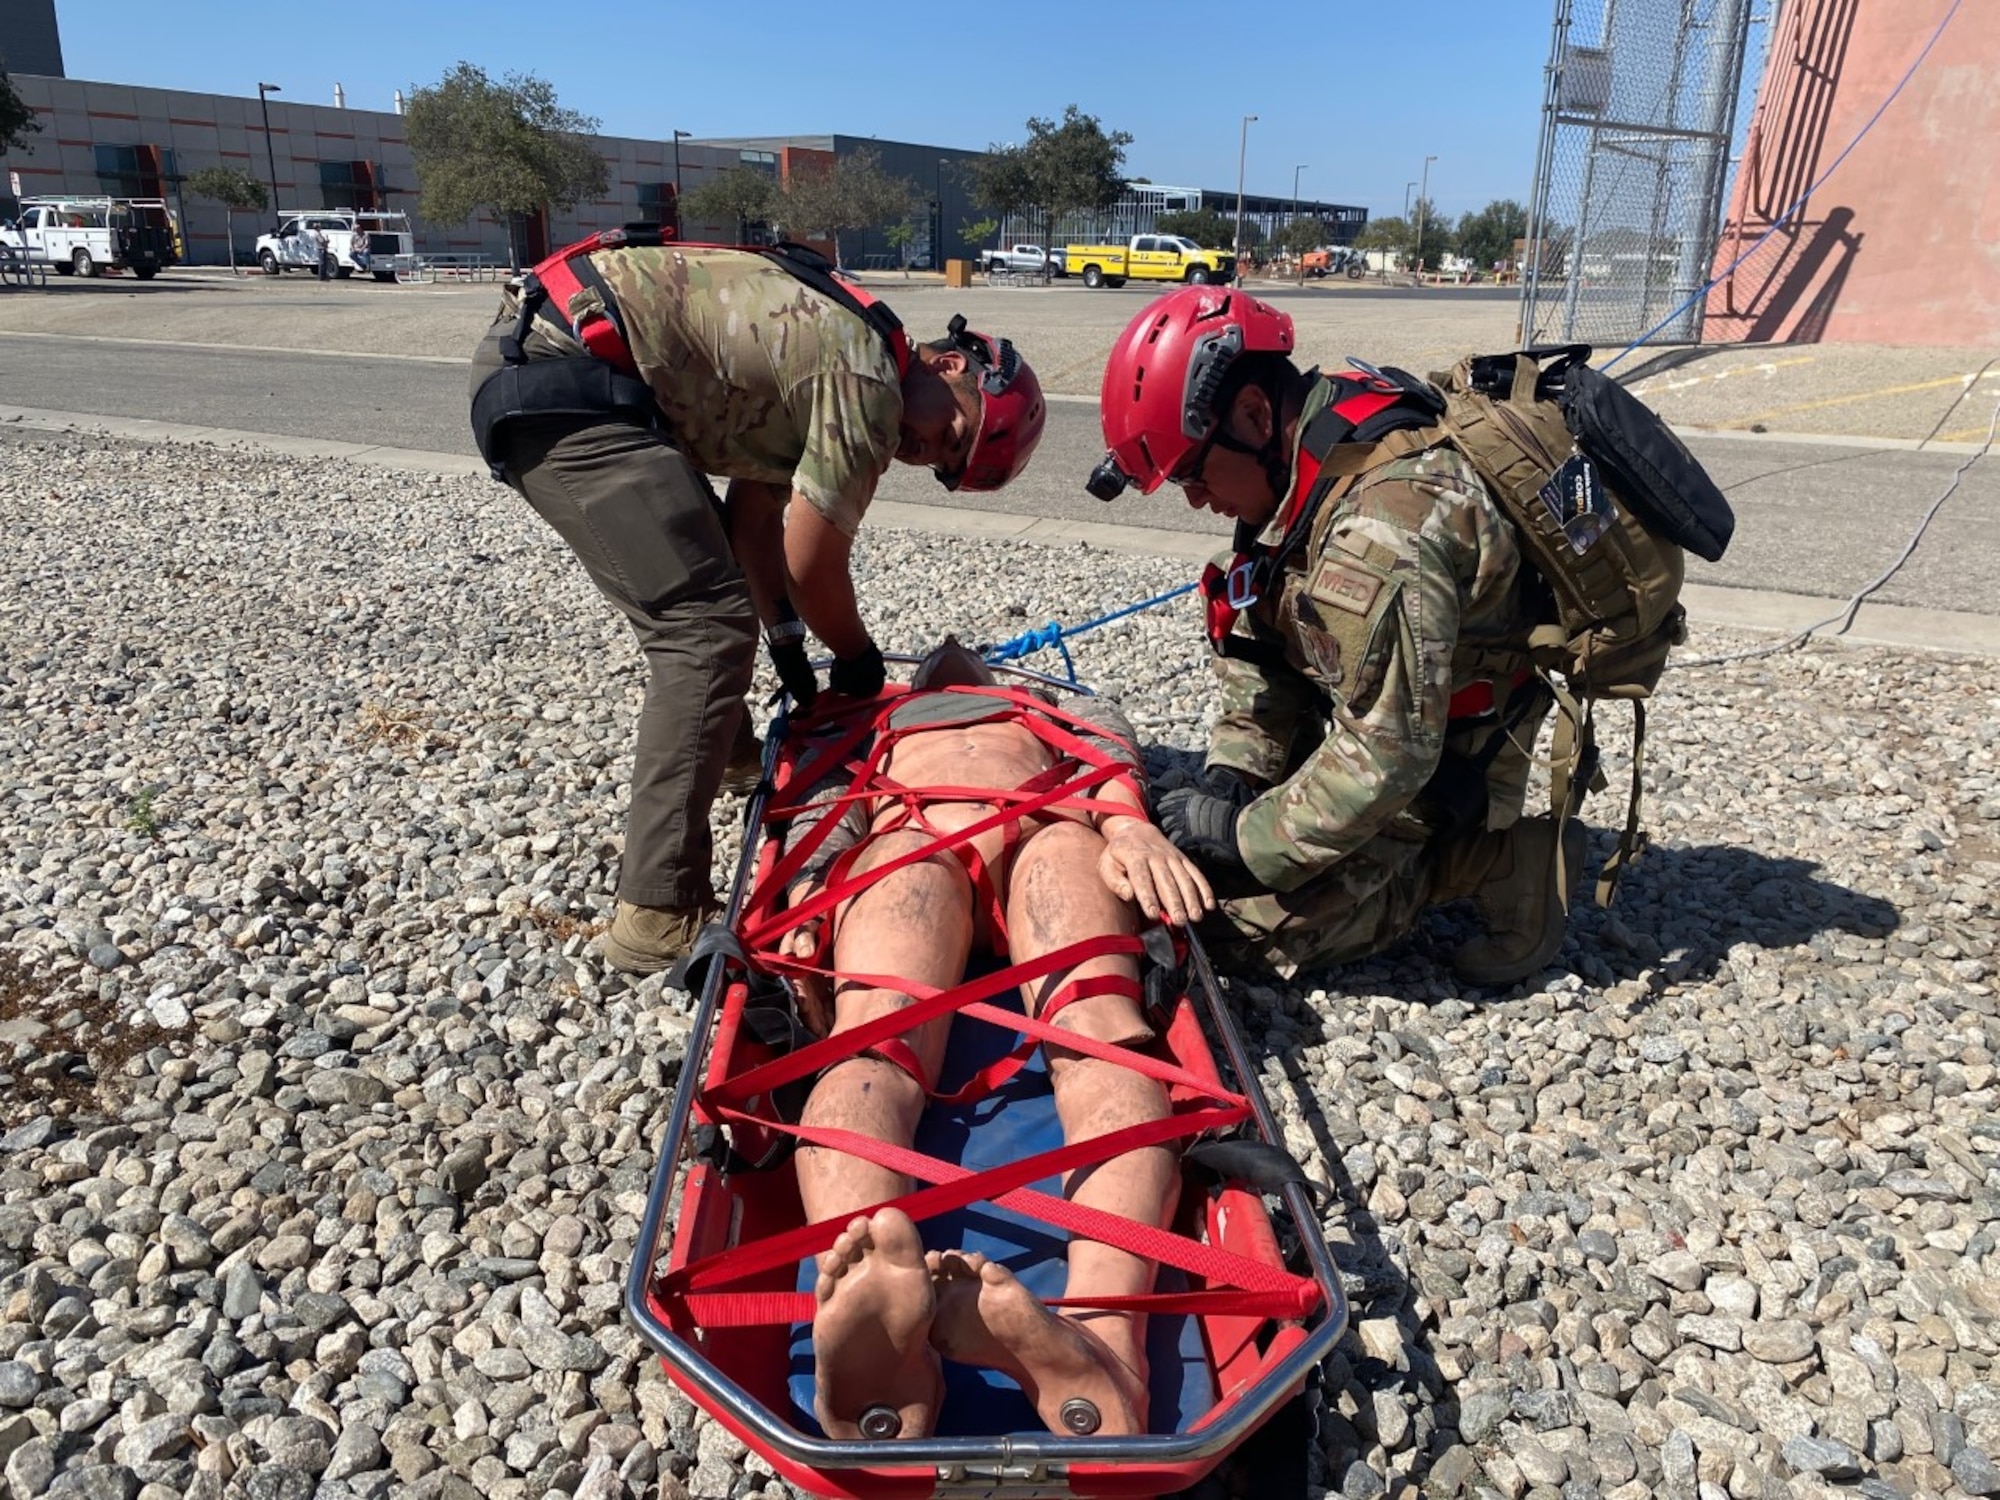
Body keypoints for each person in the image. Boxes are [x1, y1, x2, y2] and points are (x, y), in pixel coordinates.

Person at [469, 242, 1047, 974]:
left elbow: (751, 517)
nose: (924, 450)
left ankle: (737, 759)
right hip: (563, 381)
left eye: (941, 465)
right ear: (952, 366)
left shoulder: (848, 348)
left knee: (713, 592)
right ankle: (658, 911)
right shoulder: (868, 380)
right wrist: (858, 661)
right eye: (951, 435)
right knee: (704, 631)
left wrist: (782, 639)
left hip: (565, 365)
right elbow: (812, 563)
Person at [768, 642, 1212, 1445]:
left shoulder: (1057, 707)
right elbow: (827, 801)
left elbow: (1113, 763)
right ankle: (880, 1312)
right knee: (871, 1047)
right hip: (914, 834)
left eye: (959, 656)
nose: (948, 655)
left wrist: (1131, 831)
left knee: (1101, 1039)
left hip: (1050, 830)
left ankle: (1102, 1347)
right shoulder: (871, 717)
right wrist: (806, 893)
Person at [1088, 285, 1584, 987]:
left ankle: (1497, 859)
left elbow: (1392, 755)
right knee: (1202, 863)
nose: (1196, 500)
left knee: (1237, 935)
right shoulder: (1306, 450)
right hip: (1385, 714)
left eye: (1194, 474)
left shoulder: (1383, 529)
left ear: (1254, 414)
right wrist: (1236, 777)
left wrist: (1242, 842)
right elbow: (1262, 642)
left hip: (1450, 762)